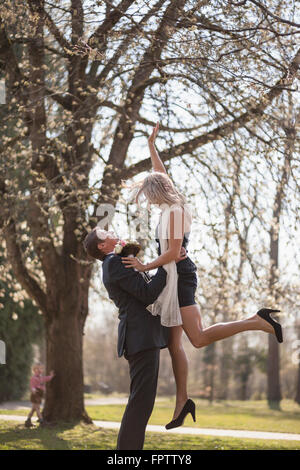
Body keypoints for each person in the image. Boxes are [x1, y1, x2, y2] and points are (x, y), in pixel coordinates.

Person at [121, 121, 283, 430]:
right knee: (173, 343)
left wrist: (144, 266)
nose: (150, 202)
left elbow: (173, 252)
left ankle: (258, 320)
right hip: (171, 276)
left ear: (158, 193)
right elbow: (162, 174)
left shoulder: (175, 212)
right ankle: (182, 402)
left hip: (179, 275)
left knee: (198, 338)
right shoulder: (173, 203)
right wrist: (152, 146)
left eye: (150, 196)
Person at [82, 229, 185, 450]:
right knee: (141, 403)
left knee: (142, 402)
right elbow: (147, 293)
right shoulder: (112, 262)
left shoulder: (119, 261)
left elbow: (144, 289)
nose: (111, 231)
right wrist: (168, 264)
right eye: (105, 232)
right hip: (140, 337)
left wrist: (164, 263)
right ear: (101, 245)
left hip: (143, 337)